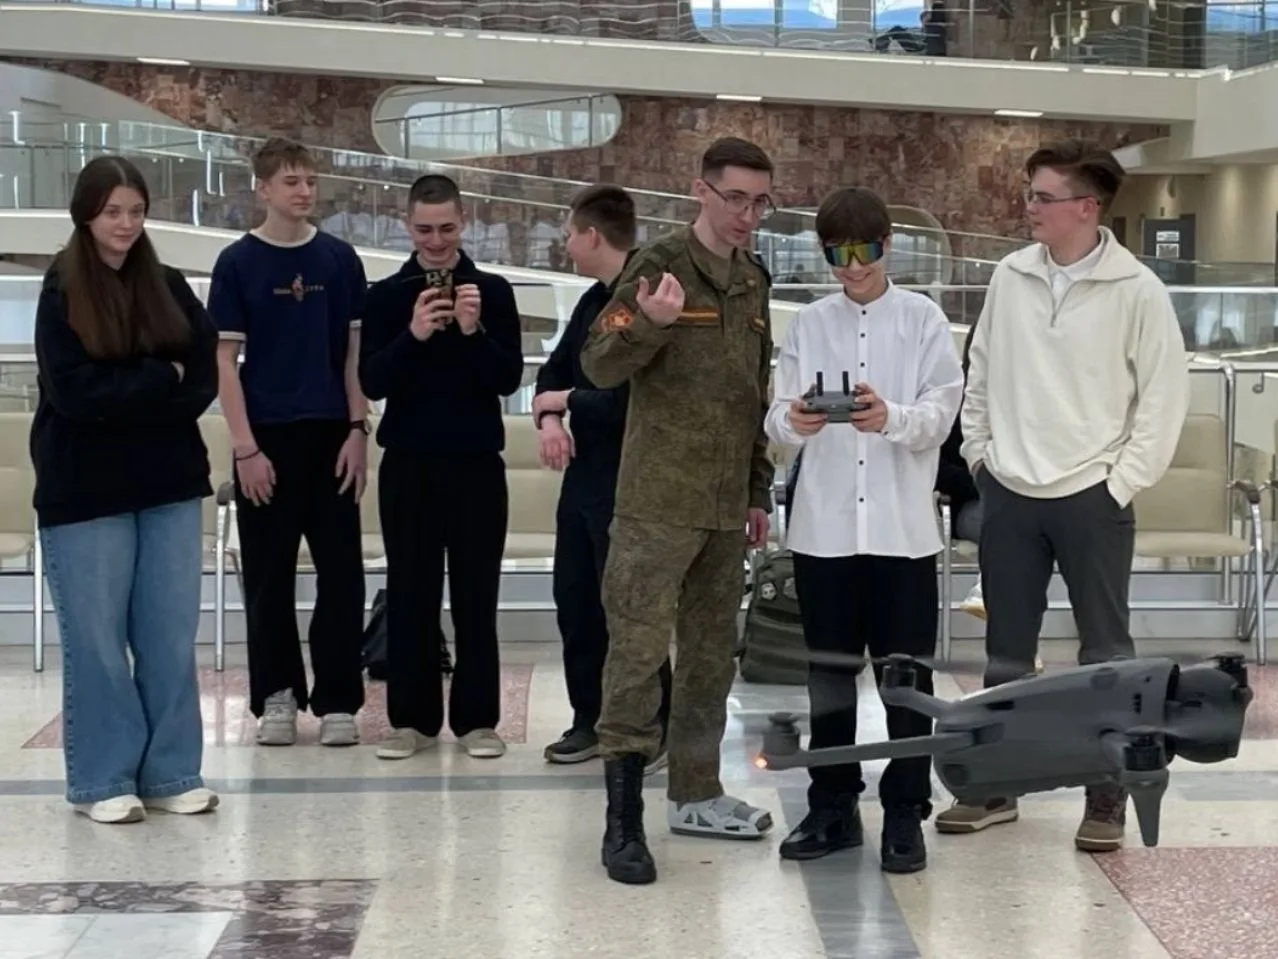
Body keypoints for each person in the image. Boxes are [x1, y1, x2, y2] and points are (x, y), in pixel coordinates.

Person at [941, 138, 1190, 851]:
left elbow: (1163, 400)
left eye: (1043, 197)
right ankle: (994, 785)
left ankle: (1106, 797)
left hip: (1093, 496)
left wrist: (1120, 484)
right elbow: (979, 371)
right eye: (1030, 194)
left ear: (1088, 207)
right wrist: (982, 457)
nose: (1029, 208)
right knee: (1004, 654)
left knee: (1107, 658)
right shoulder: (1011, 275)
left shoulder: (1137, 289)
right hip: (1009, 491)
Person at [581, 137, 777, 885]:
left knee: (708, 660)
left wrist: (757, 488)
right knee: (636, 658)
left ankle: (696, 792)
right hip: (656, 506)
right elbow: (598, 364)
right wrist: (650, 323)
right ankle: (622, 819)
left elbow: (753, 394)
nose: (747, 215)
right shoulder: (659, 265)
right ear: (701, 190)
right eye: (735, 198)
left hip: (724, 508)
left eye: (760, 202)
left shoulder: (753, 280)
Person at [764, 187, 963, 873]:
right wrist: (796, 420)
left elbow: (942, 412)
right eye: (838, 255)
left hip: (902, 532)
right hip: (824, 531)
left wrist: (892, 418)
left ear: (889, 245)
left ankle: (905, 809)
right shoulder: (808, 323)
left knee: (906, 680)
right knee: (829, 677)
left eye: (866, 251)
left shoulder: (923, 319)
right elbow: (775, 420)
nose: (853, 268)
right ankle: (833, 804)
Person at [32, 156, 220, 823]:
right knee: (98, 644)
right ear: (86, 215)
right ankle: (102, 779)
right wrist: (157, 378)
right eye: (113, 211)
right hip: (85, 491)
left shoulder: (168, 285)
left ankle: (171, 770)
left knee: (169, 637)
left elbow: (201, 378)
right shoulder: (60, 289)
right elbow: (75, 394)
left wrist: (138, 387)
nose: (126, 224)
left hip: (168, 483)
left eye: (136, 211)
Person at [208, 137, 370, 748]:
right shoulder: (237, 263)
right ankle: (276, 694)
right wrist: (245, 448)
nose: (304, 191)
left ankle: (338, 699)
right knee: (268, 576)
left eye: (310, 181)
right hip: (266, 439)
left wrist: (357, 430)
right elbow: (224, 363)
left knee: (341, 574)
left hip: (331, 435)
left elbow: (353, 354)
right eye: (291, 182)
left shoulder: (339, 260)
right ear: (264, 189)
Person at [358, 174, 524, 761]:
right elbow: (372, 380)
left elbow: (508, 379)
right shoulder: (386, 296)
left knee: (477, 595)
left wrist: (473, 333)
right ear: (407, 226)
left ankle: (478, 720)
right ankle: (411, 720)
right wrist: (414, 334)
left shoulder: (492, 291)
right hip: (409, 464)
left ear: (464, 223)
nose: (435, 241)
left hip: (476, 463)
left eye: (447, 228)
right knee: (411, 593)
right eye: (424, 229)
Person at [533, 185, 673, 769]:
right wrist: (548, 417)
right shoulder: (593, 303)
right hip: (584, 479)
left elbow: (628, 399)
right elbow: (551, 374)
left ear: (592, 235)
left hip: (631, 480)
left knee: (630, 614)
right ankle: (589, 719)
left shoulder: (646, 300)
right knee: (577, 601)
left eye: (569, 234)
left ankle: (654, 725)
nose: (565, 245)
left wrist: (566, 400)